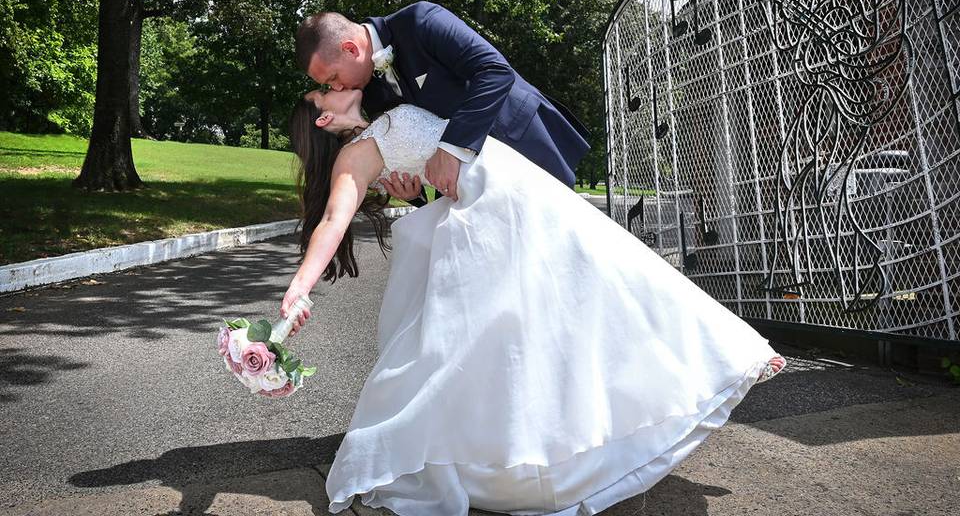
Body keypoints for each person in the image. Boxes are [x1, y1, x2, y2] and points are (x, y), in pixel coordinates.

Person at [280, 93, 786, 516]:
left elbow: (435, 156)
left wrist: (416, 190)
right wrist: (300, 286)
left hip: (507, 184)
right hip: (488, 206)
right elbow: (333, 220)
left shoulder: (385, 116)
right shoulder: (356, 155)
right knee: (513, 331)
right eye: (323, 87)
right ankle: (530, 452)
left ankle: (728, 355)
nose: (332, 83)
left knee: (606, 278)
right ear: (325, 117)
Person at [294, 1, 590, 204]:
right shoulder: (368, 93)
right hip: (471, 187)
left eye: (333, 77)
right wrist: (414, 194)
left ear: (350, 48)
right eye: (328, 86)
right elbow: (417, 149)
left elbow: (495, 71)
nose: (337, 87)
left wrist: (451, 147)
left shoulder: (420, 20)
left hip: (521, 143)